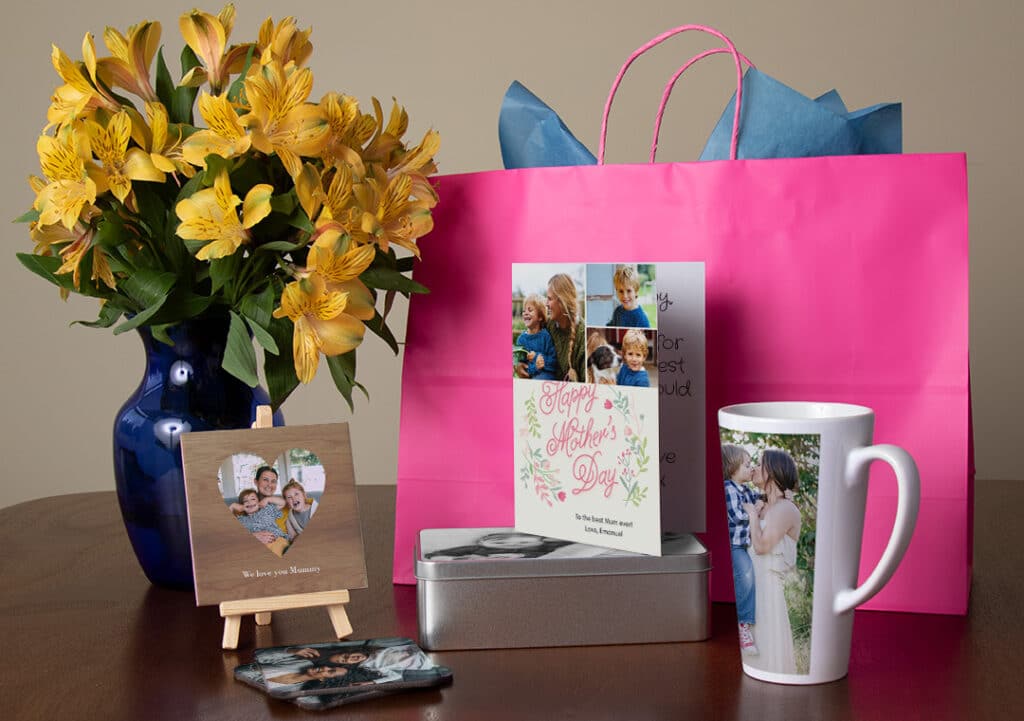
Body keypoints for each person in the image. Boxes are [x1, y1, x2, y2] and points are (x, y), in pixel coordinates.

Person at [742, 449, 802, 674]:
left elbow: (761, 547)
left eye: (759, 464)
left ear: (774, 471)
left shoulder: (785, 508)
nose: (754, 468)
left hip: (767, 590)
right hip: (752, 587)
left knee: (767, 651)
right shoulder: (761, 504)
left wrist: (752, 517)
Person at [722, 444, 761, 656]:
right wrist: (753, 512)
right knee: (746, 574)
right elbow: (736, 515)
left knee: (749, 576)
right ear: (733, 467)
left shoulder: (746, 490)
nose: (751, 468)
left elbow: (758, 502)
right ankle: (743, 625)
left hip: (745, 544)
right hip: (735, 545)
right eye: (747, 465)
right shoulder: (729, 488)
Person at [545, 273, 586, 382]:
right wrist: (519, 364)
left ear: (562, 301)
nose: (546, 304)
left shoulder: (582, 334)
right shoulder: (548, 325)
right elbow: (527, 341)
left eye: (549, 299)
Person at [425, 531, 574, 560]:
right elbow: (457, 551)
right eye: (499, 541)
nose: (510, 543)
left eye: (523, 541)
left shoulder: (540, 550)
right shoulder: (478, 550)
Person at [229, 489, 290, 556]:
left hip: (276, 540)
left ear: (259, 501)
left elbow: (283, 503)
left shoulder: (267, 509)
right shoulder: (241, 519)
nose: (249, 502)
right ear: (242, 505)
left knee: (280, 548)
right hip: (253, 546)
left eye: (253, 499)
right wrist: (232, 506)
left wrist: (267, 499)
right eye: (245, 501)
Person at [515, 294, 558, 380]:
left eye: (530, 310)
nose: (525, 313)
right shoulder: (521, 339)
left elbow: (553, 361)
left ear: (540, 317)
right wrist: (530, 368)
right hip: (530, 377)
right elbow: (520, 363)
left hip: (546, 377)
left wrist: (537, 357)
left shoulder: (545, 336)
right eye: (524, 311)